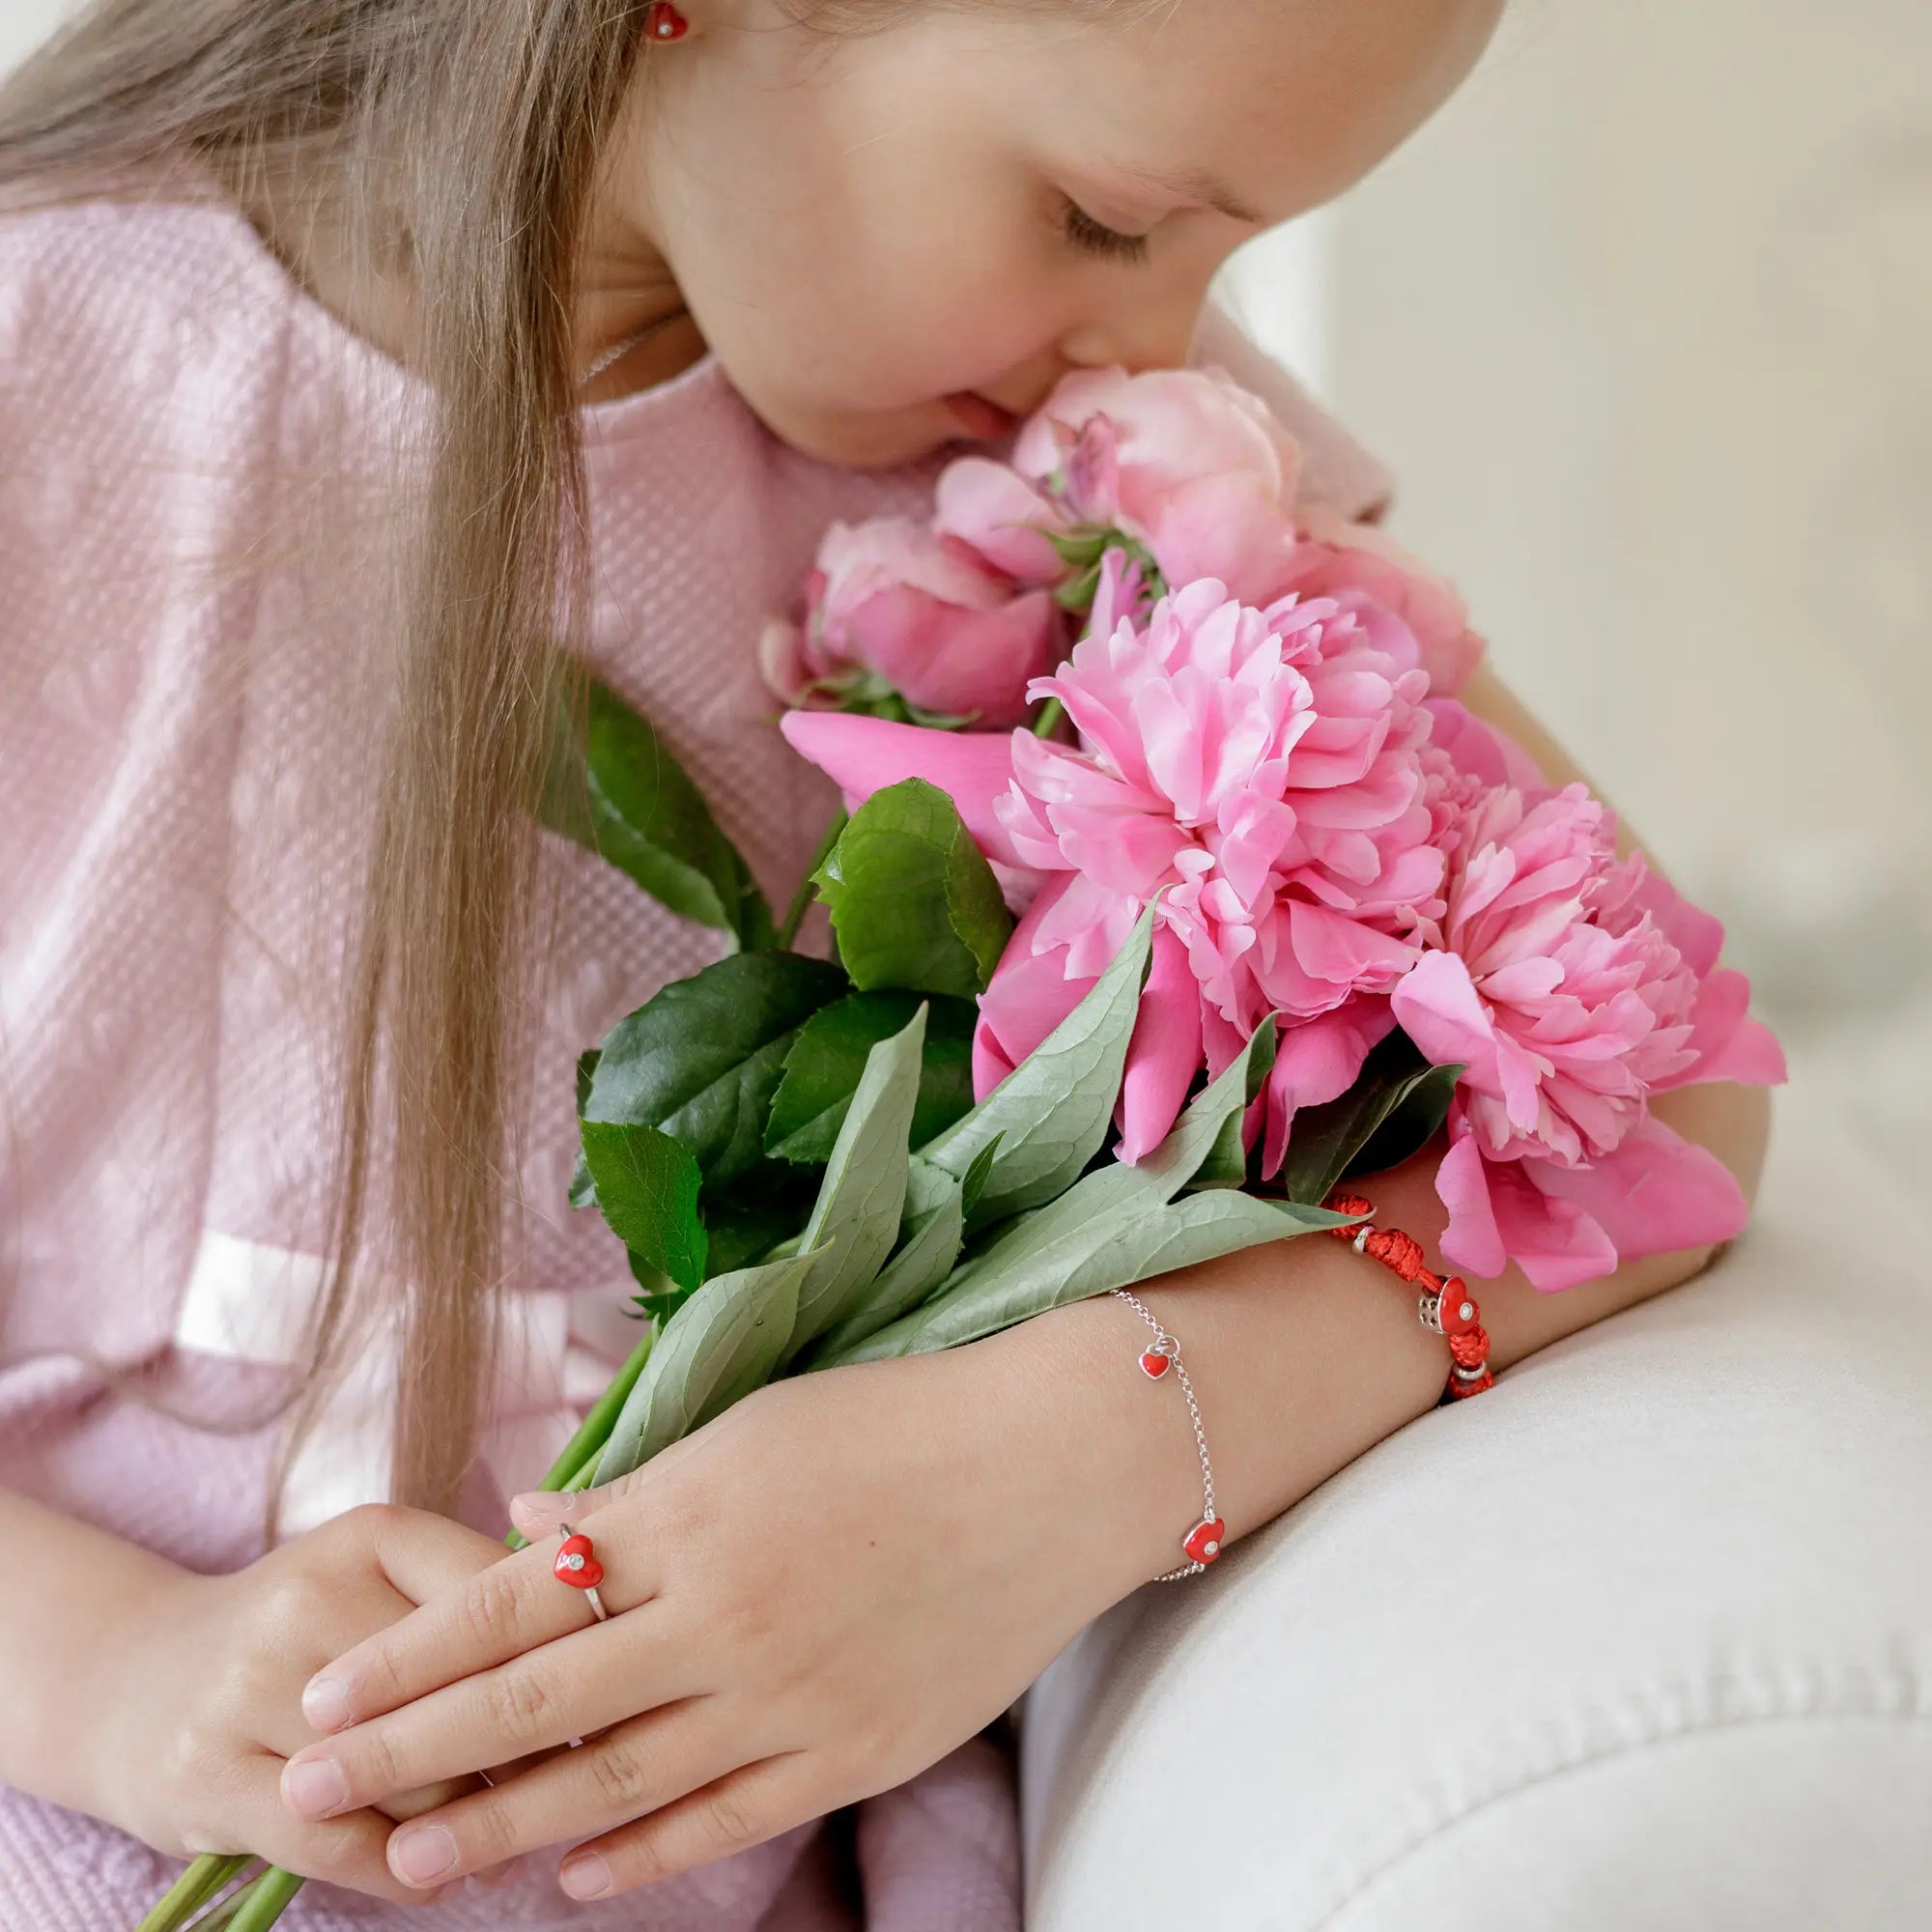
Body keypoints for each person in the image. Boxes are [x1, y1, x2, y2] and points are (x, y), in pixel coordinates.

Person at [0, 1, 1772, 1924]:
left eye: (1221, 247)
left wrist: (1088, 1446)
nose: (1159, 342)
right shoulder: (61, 365)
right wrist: (111, 1679)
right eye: (1104, 217)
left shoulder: (1107, 490)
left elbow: (1672, 1080)